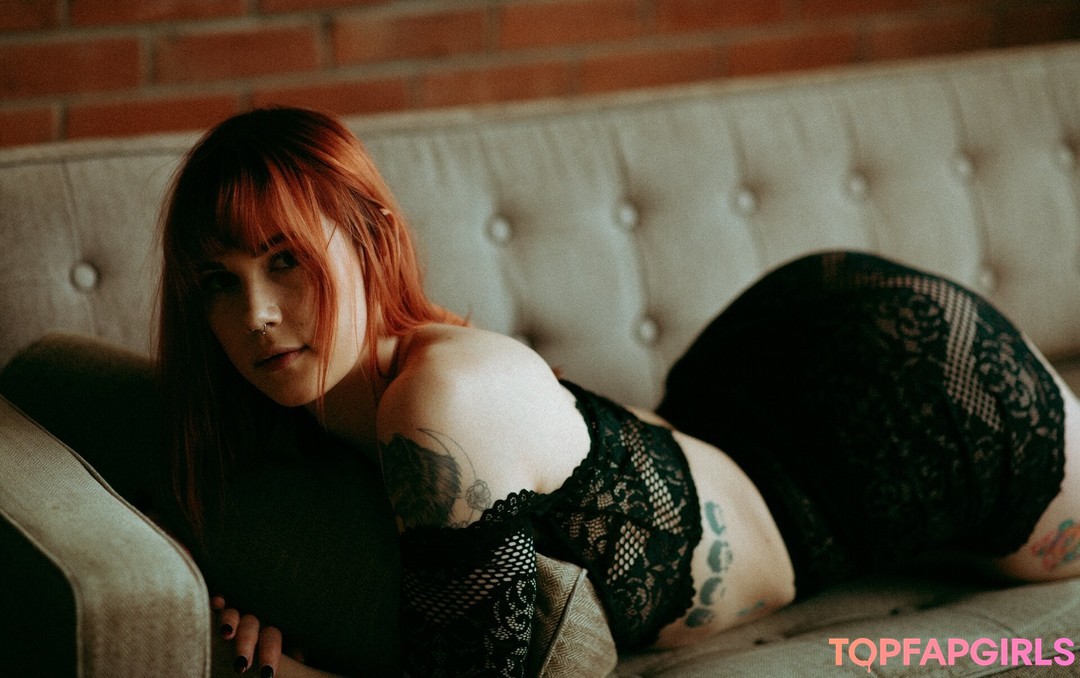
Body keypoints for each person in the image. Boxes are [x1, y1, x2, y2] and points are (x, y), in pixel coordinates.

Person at [157, 106, 1080, 678]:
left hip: (918, 406)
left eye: (286, 261)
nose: (258, 315)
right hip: (749, 383)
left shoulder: (441, 404)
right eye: (219, 282)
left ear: (370, 242)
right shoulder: (284, 414)